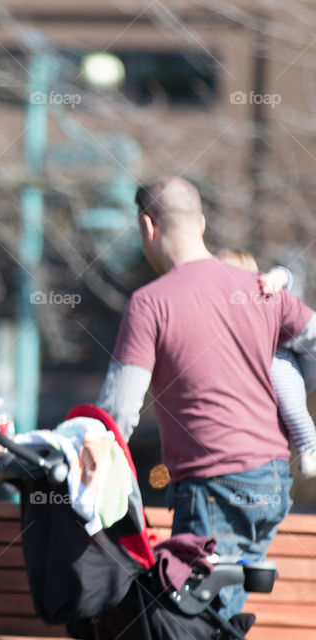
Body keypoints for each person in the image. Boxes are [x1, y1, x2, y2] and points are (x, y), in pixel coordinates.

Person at [95, 176, 316, 620]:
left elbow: (118, 412)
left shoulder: (150, 303)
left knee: (195, 621)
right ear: (200, 221)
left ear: (147, 226)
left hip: (213, 485)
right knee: (217, 615)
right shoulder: (261, 288)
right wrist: (290, 388)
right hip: (272, 478)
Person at [216, 249, 316, 478]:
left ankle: (309, 447)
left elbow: (284, 277)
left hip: (279, 355)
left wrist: (277, 278)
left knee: (293, 407)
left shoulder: (263, 290)